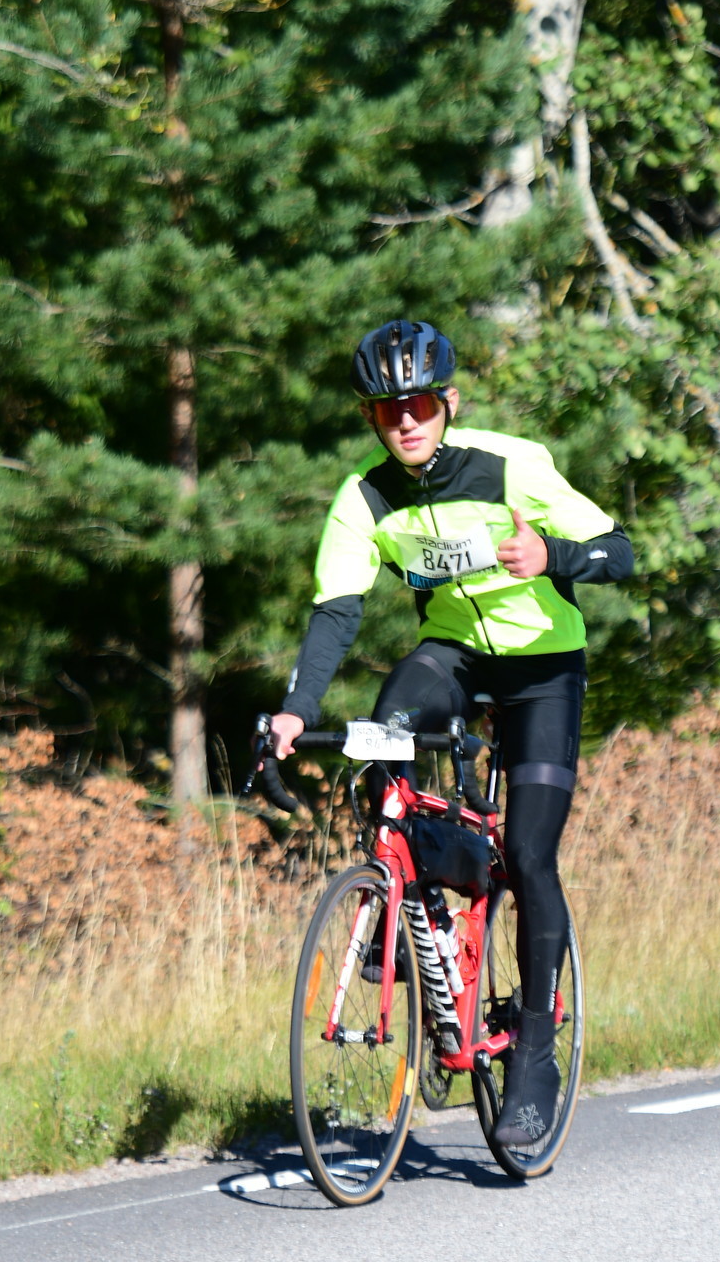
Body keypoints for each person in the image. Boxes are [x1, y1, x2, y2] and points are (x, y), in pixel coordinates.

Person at [270, 319, 634, 1147]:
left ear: (449, 404)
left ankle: (534, 1050)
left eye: (420, 404)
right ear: (370, 417)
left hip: (542, 668)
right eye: (386, 409)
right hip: (455, 657)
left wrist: (552, 558)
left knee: (529, 855)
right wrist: (296, 709)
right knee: (379, 740)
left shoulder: (512, 465)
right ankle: (410, 920)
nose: (405, 421)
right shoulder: (363, 497)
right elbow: (336, 610)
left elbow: (618, 551)